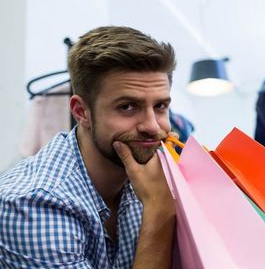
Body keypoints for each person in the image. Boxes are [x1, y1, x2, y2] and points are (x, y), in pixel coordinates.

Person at [0, 26, 178, 268]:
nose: (152, 126)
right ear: (81, 111)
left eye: (160, 106)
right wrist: (159, 210)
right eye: (127, 106)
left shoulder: (157, 175)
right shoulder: (31, 203)